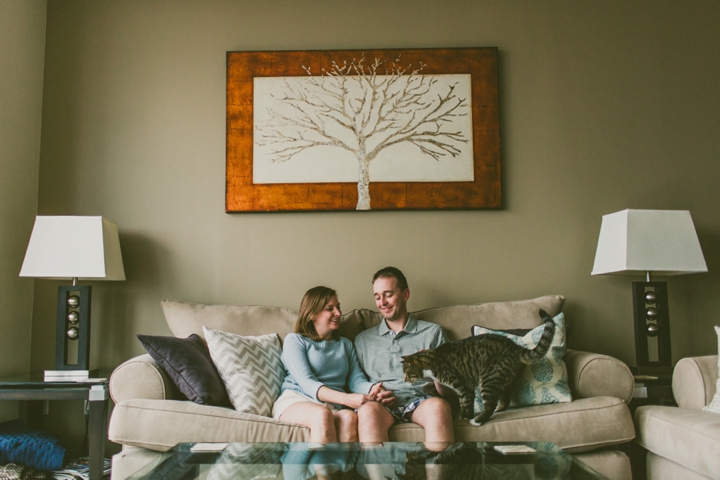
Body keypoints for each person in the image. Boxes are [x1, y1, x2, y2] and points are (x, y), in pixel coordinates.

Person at [272, 286, 392, 444]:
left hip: (330, 406)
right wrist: (346, 399)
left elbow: (355, 381)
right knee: (322, 415)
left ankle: (335, 469)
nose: (338, 313)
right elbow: (307, 383)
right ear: (312, 314)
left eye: (338, 307)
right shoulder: (295, 340)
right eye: (330, 309)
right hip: (297, 399)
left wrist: (372, 390)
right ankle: (321, 469)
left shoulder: (345, 345)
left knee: (349, 417)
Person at [354, 267, 455, 444]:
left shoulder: (432, 333)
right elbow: (354, 381)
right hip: (381, 406)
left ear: (405, 294)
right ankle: (381, 473)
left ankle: (439, 472)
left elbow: (452, 391)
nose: (382, 302)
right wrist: (372, 392)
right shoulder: (363, 340)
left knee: (439, 407)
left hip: (423, 401)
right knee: (367, 411)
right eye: (377, 297)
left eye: (388, 294)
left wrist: (435, 370)